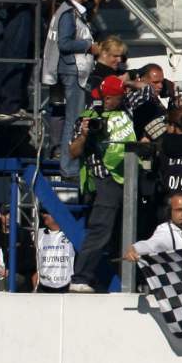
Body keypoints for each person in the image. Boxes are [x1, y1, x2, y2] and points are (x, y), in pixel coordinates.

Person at [69, 75, 140, 294]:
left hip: (129, 174)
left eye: (117, 96)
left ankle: (124, 277)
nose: (110, 100)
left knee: (126, 232)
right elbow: (73, 152)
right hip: (105, 177)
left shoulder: (126, 105)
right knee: (101, 229)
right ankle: (80, 277)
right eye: (108, 97)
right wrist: (84, 134)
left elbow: (145, 91)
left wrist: (127, 83)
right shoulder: (88, 117)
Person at [42, 0, 96, 180]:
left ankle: (70, 165)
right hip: (72, 71)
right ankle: (69, 167)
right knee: (74, 120)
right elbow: (64, 44)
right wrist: (89, 46)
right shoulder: (68, 13)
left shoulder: (74, 12)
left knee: (75, 119)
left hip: (76, 71)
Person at [34, 209, 75, 293]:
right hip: (44, 286)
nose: (44, 214)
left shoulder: (71, 233)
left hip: (66, 286)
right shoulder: (38, 234)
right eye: (43, 213)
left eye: (47, 212)